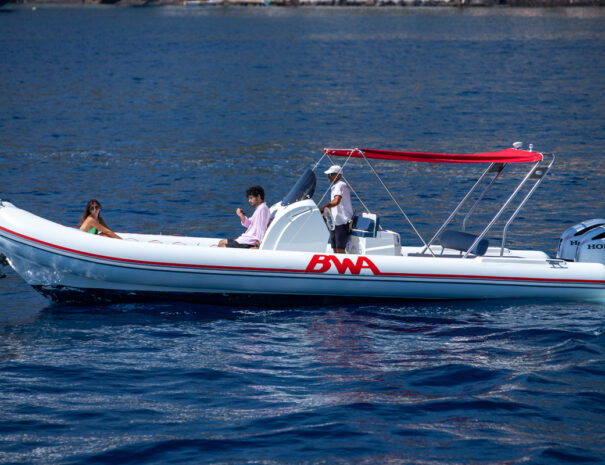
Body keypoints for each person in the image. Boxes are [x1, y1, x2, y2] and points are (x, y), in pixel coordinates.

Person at [320, 165, 353, 254]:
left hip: (342, 222)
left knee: (340, 248)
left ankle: (343, 266)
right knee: (334, 247)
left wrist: (322, 208)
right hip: (335, 222)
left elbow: (336, 201)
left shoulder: (340, 185)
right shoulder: (335, 186)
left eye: (330, 174)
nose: (328, 176)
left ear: (338, 175)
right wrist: (324, 213)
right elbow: (335, 206)